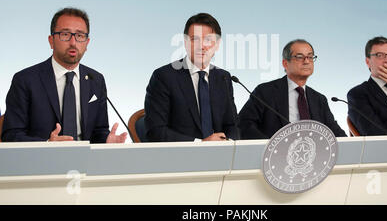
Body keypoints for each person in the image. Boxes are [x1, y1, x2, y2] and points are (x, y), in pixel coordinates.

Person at [2, 8, 127, 143]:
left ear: (87, 43)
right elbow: (11, 135)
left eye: (80, 36)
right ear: (51, 40)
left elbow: (99, 131)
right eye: (65, 34)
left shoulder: (96, 80)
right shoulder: (25, 80)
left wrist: (107, 141)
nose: (73, 42)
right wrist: (47, 145)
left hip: (86, 161)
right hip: (40, 161)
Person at [144, 13, 239, 142]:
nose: (202, 46)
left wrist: (228, 142)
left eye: (208, 40)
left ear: (217, 45)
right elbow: (155, 130)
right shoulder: (164, 77)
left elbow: (232, 125)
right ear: (185, 43)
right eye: (195, 39)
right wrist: (200, 144)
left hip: (220, 156)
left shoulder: (223, 77)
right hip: (180, 157)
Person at [238, 39, 347, 139]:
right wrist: (270, 146)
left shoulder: (319, 99)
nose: (306, 61)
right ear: (285, 63)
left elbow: (335, 131)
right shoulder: (265, 91)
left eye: (310, 57)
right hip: (275, 156)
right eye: (300, 57)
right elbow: (244, 124)